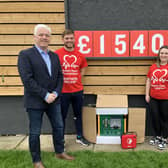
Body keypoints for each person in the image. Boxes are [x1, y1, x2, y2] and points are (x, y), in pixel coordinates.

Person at [18, 24, 75, 168]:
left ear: (50, 38)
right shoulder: (25, 55)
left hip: (54, 100)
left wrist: (55, 93)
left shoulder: (54, 56)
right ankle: (36, 160)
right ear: (35, 37)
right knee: (35, 132)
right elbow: (27, 80)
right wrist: (45, 95)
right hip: (35, 101)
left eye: (47, 35)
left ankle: (59, 151)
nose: (44, 37)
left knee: (59, 127)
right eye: (41, 34)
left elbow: (60, 77)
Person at [55, 29, 90, 146]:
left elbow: (84, 67)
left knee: (78, 115)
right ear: (63, 40)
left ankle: (79, 137)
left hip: (77, 91)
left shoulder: (80, 55)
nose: (69, 40)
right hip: (63, 92)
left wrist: (78, 78)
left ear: (74, 39)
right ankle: (61, 140)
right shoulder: (57, 54)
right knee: (61, 117)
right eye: (67, 38)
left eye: (71, 38)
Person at [146, 45, 168, 150]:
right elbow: (149, 80)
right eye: (162, 53)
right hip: (153, 97)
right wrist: (147, 94)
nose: (164, 55)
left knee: (165, 119)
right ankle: (157, 136)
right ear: (159, 55)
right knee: (155, 118)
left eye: (166, 53)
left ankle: (164, 138)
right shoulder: (153, 66)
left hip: (166, 98)